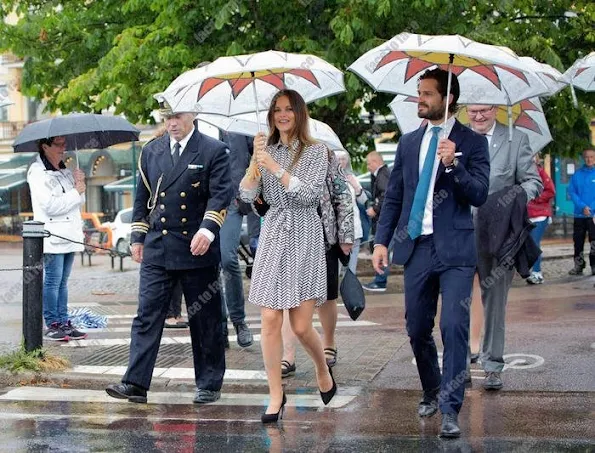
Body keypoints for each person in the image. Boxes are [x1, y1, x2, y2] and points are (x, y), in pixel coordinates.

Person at [372, 68, 490, 438]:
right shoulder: (408, 143)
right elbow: (395, 197)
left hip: (455, 250)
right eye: (418, 93)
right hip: (416, 248)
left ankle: (451, 408)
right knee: (417, 327)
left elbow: (479, 194)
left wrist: (454, 164)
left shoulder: (472, 142)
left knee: (453, 326)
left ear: (447, 98)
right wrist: (380, 241)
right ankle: (431, 386)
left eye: (426, 94)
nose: (419, 100)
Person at [106, 99, 232, 404]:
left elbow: (221, 195)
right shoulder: (152, 150)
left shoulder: (213, 150)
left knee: (205, 318)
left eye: (177, 116)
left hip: (196, 247)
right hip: (158, 248)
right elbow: (142, 198)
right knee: (147, 315)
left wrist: (207, 229)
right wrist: (137, 237)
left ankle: (209, 383)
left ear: (194, 115)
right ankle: (135, 383)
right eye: (168, 117)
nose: (172, 122)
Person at [239, 89, 337, 423]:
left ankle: (322, 367)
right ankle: (275, 395)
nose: (282, 115)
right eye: (277, 110)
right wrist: (255, 162)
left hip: (305, 234)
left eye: (288, 110)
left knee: (300, 325)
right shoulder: (266, 149)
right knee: (269, 318)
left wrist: (276, 167)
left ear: (299, 114)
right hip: (273, 232)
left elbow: (309, 195)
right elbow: (248, 196)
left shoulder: (316, 151)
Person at [466, 103, 542, 392]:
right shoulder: (455, 139)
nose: (479, 117)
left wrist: (514, 198)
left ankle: (493, 365)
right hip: (460, 232)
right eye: (473, 112)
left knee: (495, 302)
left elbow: (532, 181)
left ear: (496, 109)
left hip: (499, 234)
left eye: (484, 111)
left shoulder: (516, 140)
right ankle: (459, 366)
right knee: (456, 298)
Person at [280, 148, 354, 377]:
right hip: (288, 235)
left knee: (326, 295)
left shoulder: (325, 154)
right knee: (287, 298)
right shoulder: (276, 154)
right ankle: (288, 355)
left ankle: (328, 342)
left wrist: (346, 235)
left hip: (323, 235)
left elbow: (342, 194)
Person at [27, 135, 88, 342]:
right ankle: (52, 323)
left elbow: (79, 201)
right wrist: (75, 193)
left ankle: (63, 321)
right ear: (45, 146)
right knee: (53, 281)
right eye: (59, 144)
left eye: (64, 144)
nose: (64, 148)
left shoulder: (65, 170)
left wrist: (80, 184)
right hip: (53, 234)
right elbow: (50, 205)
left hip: (70, 234)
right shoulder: (37, 173)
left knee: (63, 282)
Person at [218, 131, 258, 348]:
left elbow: (258, 157)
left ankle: (239, 321)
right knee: (207, 266)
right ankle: (219, 326)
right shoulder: (193, 124)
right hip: (201, 202)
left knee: (226, 258)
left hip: (231, 201)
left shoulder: (238, 126)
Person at [335, 150, 367, 274]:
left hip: (354, 227)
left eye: (344, 159)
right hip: (337, 228)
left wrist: (356, 187)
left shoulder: (352, 178)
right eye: (338, 159)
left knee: (351, 267)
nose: (341, 162)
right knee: (336, 266)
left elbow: (363, 200)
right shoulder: (329, 178)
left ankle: (350, 290)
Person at [362, 151, 391, 291]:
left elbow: (386, 195)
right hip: (384, 219)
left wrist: (375, 209)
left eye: (368, 163)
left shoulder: (382, 175)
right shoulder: (382, 174)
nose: (368, 167)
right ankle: (380, 279)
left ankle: (380, 281)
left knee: (382, 248)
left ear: (376, 162)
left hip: (385, 220)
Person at [526, 154, 556, 284]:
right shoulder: (520, 174)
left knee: (534, 243)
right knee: (527, 245)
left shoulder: (541, 173)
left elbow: (550, 191)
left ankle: (537, 273)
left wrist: (535, 198)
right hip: (526, 215)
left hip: (540, 214)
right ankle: (530, 270)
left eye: (533, 156)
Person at [567, 148, 595, 276]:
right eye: (587, 157)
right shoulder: (577, 175)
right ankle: (578, 265)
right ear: (583, 158)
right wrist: (583, 206)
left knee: (594, 242)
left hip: (593, 216)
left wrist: (591, 208)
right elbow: (572, 192)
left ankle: (594, 266)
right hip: (579, 215)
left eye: (592, 157)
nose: (589, 159)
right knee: (578, 242)